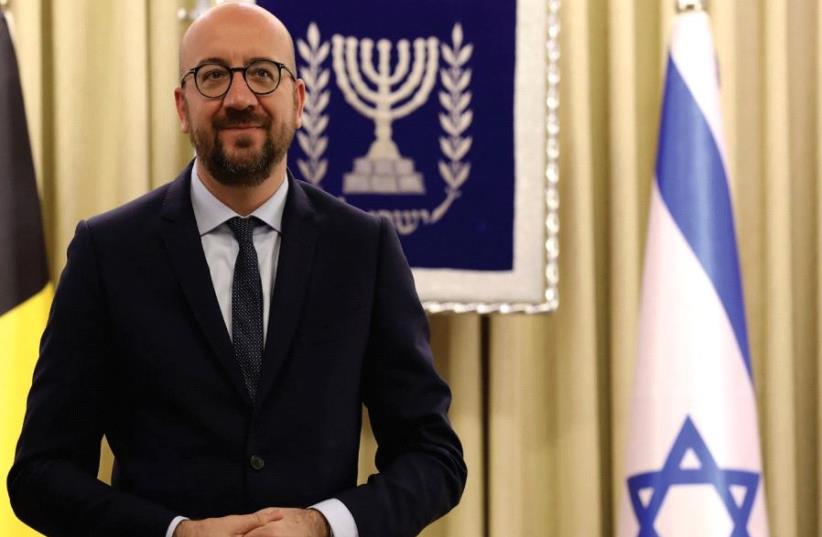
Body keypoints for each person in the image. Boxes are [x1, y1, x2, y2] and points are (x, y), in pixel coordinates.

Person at [7, 4, 466, 537]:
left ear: (298, 100)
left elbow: (433, 458)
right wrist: (177, 533)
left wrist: (324, 525)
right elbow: (40, 475)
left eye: (263, 74)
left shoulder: (364, 249)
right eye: (214, 75)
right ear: (183, 106)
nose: (240, 97)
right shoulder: (106, 252)